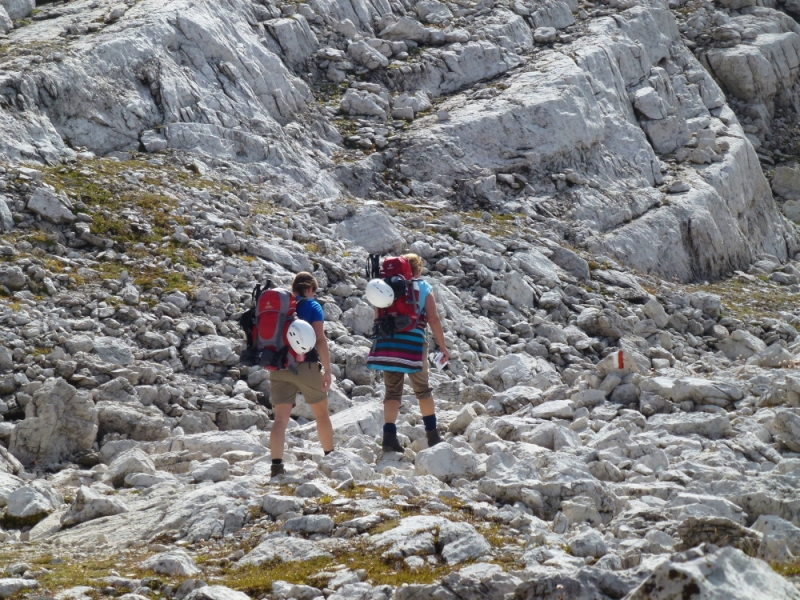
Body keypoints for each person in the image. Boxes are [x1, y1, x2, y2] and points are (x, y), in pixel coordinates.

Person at [367, 253, 450, 452]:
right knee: (422, 390)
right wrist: (443, 346)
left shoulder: (384, 288)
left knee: (392, 392)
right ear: (417, 270)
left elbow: (377, 317)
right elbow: (433, 319)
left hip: (388, 346)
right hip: (413, 347)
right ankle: (432, 436)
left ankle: (389, 437)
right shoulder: (423, 288)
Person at [269, 272, 334, 477]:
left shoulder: (280, 306)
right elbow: (320, 340)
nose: (314, 295)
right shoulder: (312, 306)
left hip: (278, 366)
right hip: (306, 365)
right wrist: (327, 369)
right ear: (308, 289)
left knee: (280, 419)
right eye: (314, 291)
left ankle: (276, 467)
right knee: (321, 414)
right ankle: (330, 458)